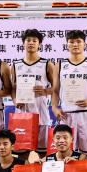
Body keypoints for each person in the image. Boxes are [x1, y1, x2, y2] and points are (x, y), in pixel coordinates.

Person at [53, 29, 87, 154]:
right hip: (66, 114)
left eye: (79, 41)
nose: (75, 44)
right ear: (67, 44)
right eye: (72, 41)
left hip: (86, 113)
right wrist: (54, 108)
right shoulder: (60, 64)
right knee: (66, 152)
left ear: (85, 44)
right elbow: (55, 90)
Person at [11, 28, 56, 159]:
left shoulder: (46, 64)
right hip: (22, 114)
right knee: (22, 154)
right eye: (28, 40)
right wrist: (14, 100)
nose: (31, 43)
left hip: (41, 114)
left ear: (39, 44)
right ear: (23, 43)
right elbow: (12, 88)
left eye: (34, 40)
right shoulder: (16, 65)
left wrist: (45, 91)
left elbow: (58, 87)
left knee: (43, 154)